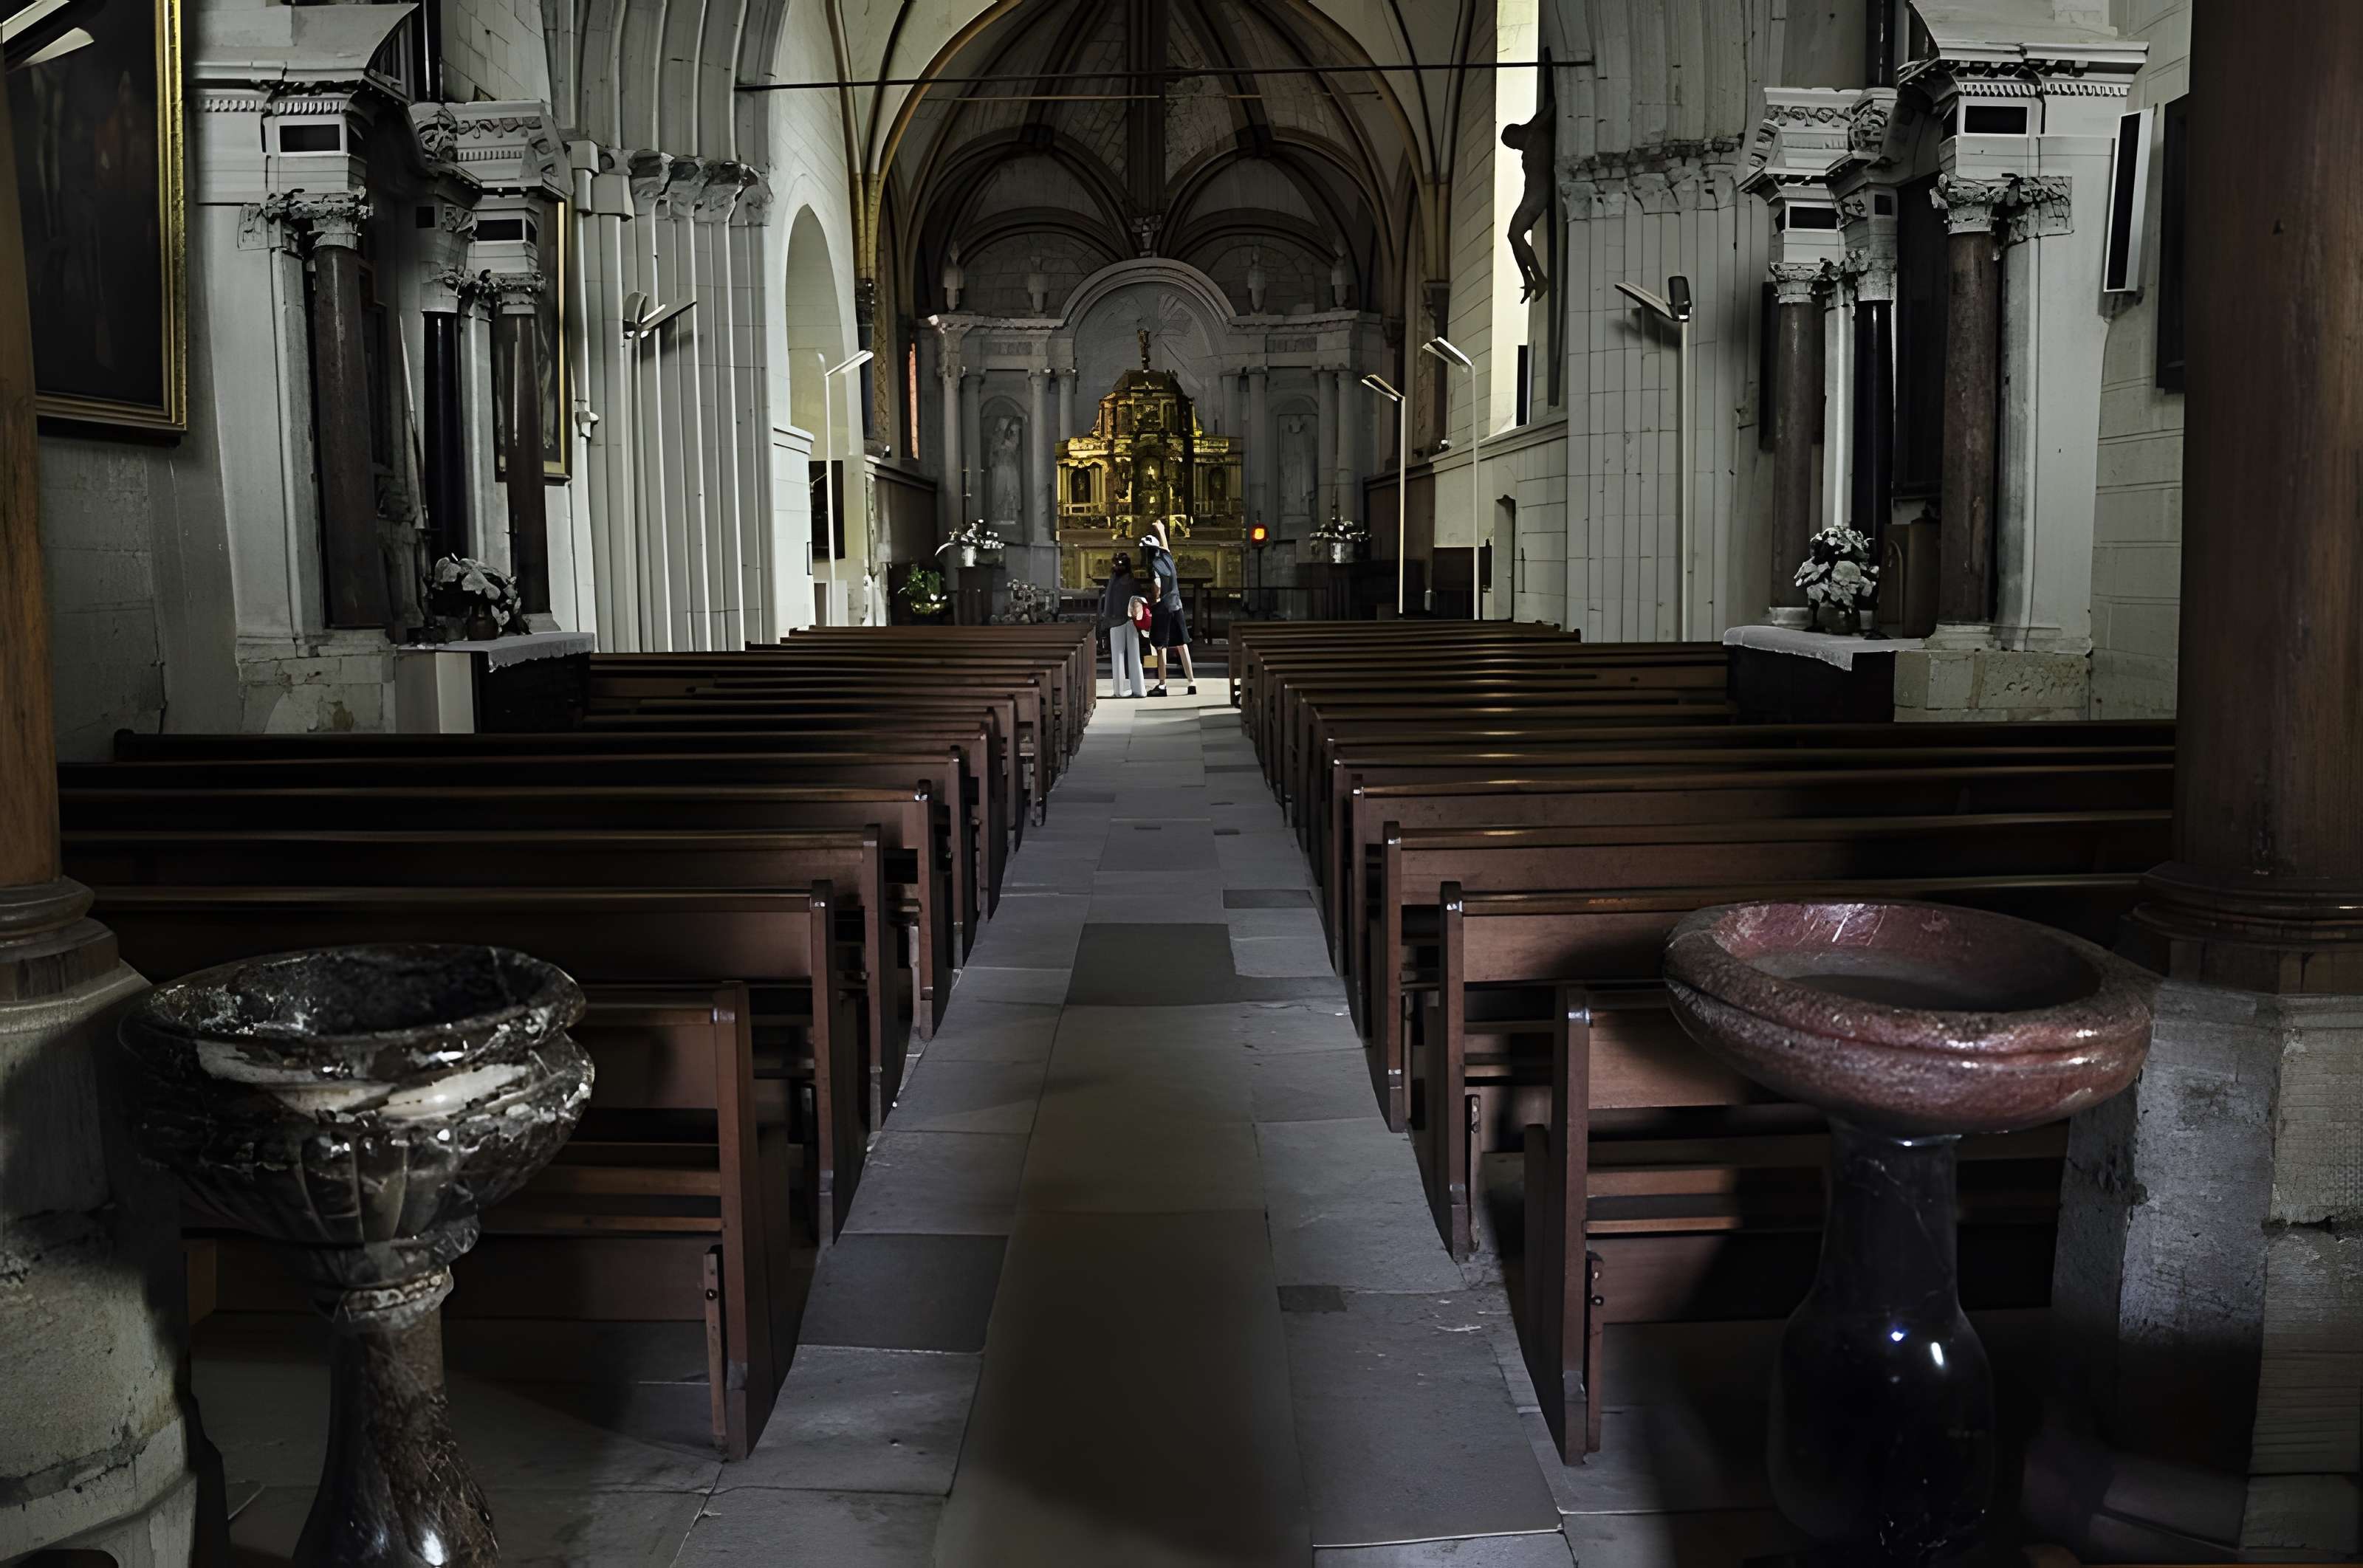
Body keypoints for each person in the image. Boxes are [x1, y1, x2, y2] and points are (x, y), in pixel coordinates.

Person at [1138, 529, 1198, 697]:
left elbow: (1157, 585)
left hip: (1163, 608)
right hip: (1176, 606)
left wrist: (1155, 599)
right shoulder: (1168, 558)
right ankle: (1192, 682)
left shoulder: (1154, 565)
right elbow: (1166, 546)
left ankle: (1162, 686)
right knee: (1182, 644)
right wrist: (1161, 530)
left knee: (1161, 646)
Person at [1098, 551, 1149, 698]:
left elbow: (1108, 602)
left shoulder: (1114, 580)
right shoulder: (1133, 581)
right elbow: (1141, 599)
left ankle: (1119, 691)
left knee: (1118, 655)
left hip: (1115, 620)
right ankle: (1139, 689)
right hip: (1131, 620)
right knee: (1135, 655)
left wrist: (1105, 621)